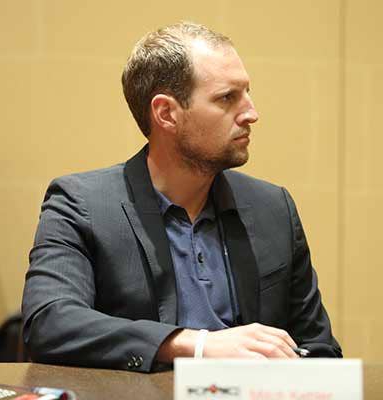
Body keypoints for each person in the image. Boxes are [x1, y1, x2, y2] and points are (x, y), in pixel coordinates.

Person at [22, 22, 342, 373]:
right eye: (227, 98)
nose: (251, 113)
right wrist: (197, 345)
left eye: (247, 93)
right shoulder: (82, 204)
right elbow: (50, 322)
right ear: (166, 113)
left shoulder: (273, 208)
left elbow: (320, 349)